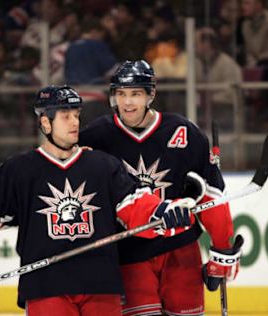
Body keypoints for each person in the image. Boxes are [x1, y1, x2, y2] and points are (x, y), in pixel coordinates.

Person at [0, 85, 197, 316]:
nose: (75, 123)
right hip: (46, 287)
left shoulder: (103, 165)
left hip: (101, 285)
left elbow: (135, 204)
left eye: (76, 115)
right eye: (65, 116)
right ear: (45, 122)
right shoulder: (19, 170)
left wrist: (164, 212)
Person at [79, 60, 242, 316]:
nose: (127, 103)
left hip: (181, 250)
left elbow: (210, 196)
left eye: (135, 94)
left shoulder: (185, 133)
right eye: (121, 94)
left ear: (150, 95)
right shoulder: (96, 137)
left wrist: (222, 249)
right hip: (129, 252)